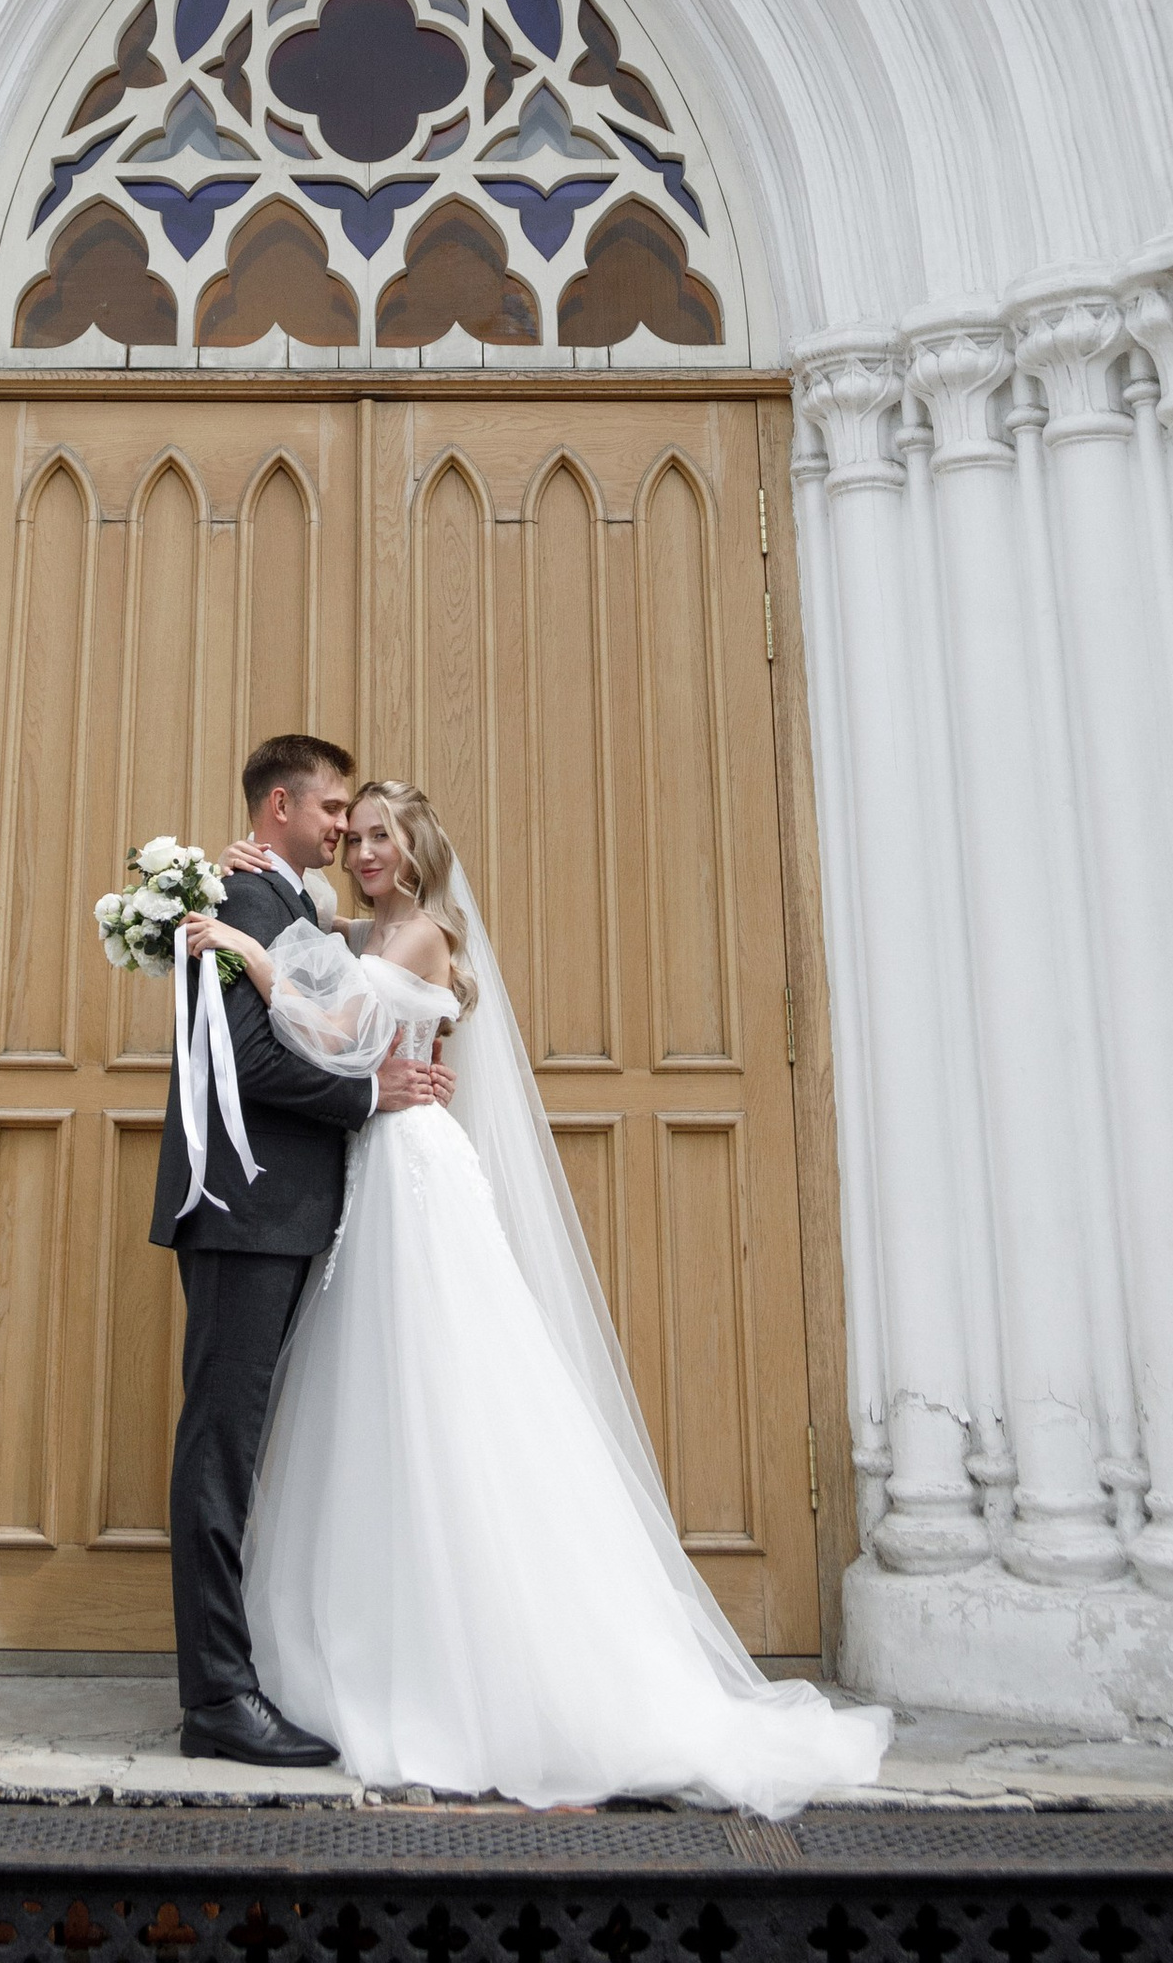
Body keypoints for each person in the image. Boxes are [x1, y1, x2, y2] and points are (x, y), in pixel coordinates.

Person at [183, 779, 893, 1814]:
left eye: (381, 835)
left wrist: (243, 952)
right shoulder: (360, 925)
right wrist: (249, 872)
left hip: (412, 1171)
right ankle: (380, 1646)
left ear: (417, 850)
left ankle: (497, 1675)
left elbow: (331, 1023)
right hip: (372, 1172)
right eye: (356, 832)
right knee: (377, 1406)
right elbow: (317, 926)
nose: (363, 848)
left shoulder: (419, 935)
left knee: (447, 1395)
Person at [149, 731, 453, 1768]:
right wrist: (369, 1093)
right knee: (220, 1451)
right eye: (333, 815)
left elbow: (325, 999)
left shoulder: (290, 906)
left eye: (362, 825)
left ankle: (247, 1679)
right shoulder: (243, 901)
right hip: (246, 1209)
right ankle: (219, 1701)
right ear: (280, 806)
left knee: (241, 1448)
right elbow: (246, 1060)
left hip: (285, 1210)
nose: (344, 833)